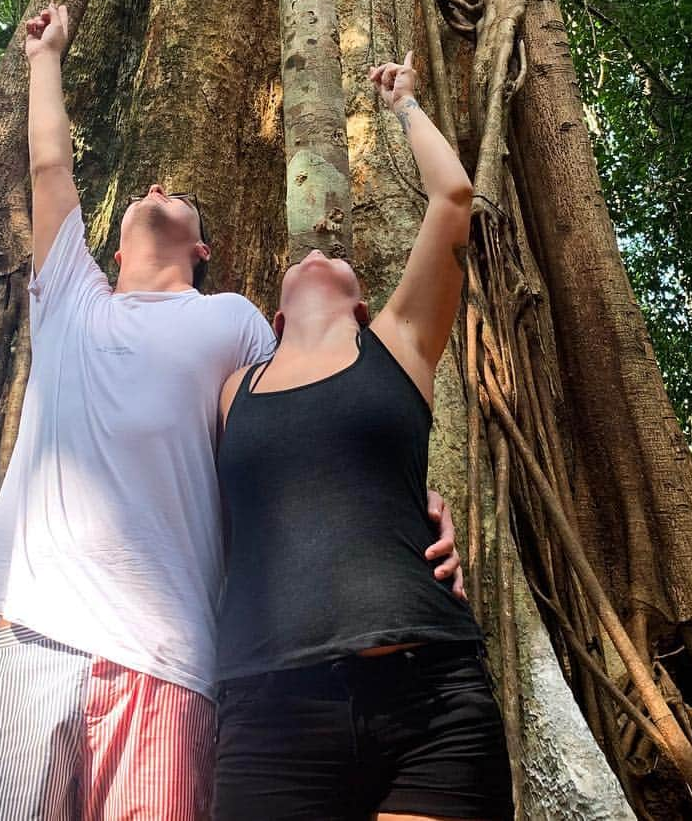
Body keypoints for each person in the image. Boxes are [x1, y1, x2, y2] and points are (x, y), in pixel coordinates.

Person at [0, 6, 463, 821]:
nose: (154, 189)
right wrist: (46, 57)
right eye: (144, 191)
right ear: (108, 246)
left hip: (169, 663)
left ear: (203, 248)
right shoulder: (68, 298)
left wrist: (408, 506)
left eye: (174, 194)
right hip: (33, 640)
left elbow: (305, 435)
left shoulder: (233, 324)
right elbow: (49, 166)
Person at [213, 52, 513, 821]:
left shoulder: (398, 346)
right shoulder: (228, 390)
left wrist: (405, 103)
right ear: (273, 320)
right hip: (269, 715)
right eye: (302, 259)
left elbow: (453, 196)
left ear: (363, 300)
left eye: (336, 258)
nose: (317, 251)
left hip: (428, 699)